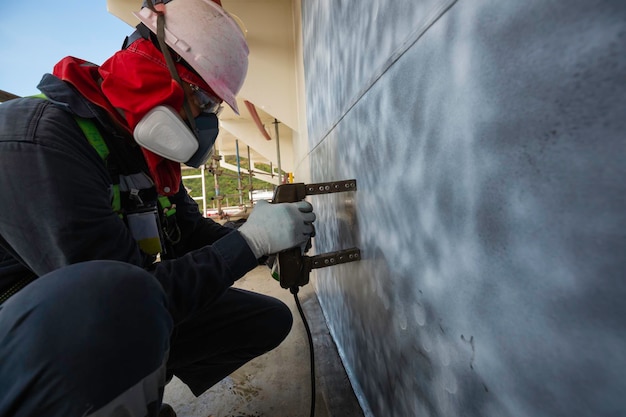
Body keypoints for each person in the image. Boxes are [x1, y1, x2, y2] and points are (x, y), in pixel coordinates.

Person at [0, 0, 316, 416]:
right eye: (204, 100)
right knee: (130, 320)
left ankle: (142, 376)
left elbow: (189, 232)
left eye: (214, 108)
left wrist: (264, 241)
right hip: (28, 347)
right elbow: (117, 306)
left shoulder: (137, 149)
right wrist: (249, 243)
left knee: (265, 321)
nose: (206, 121)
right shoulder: (38, 145)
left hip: (103, 318)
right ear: (155, 72)